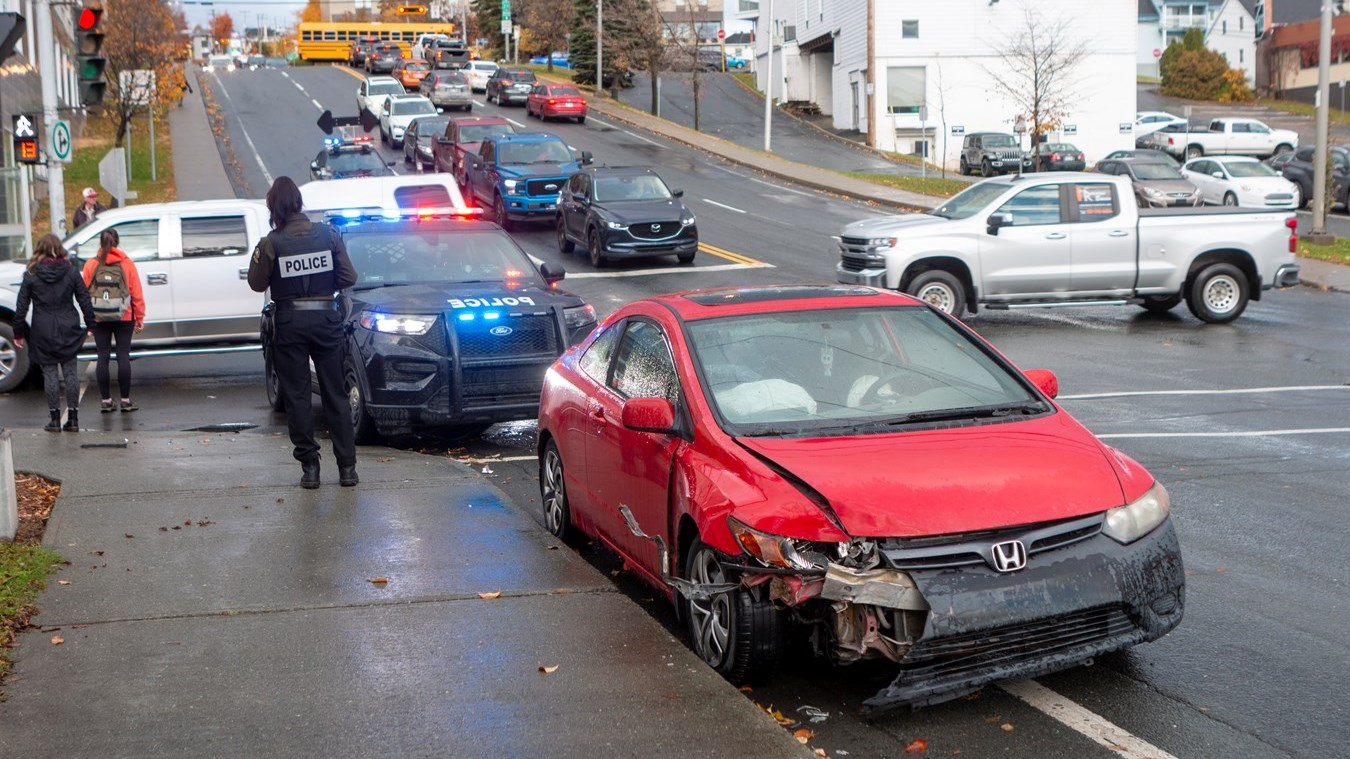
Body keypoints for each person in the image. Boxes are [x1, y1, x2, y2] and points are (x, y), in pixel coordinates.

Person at [247, 176, 360, 489]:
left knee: (298, 398)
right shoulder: (328, 234)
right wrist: (324, 289)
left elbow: (257, 283)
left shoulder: (272, 243)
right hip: (326, 321)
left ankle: (310, 468)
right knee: (335, 394)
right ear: (298, 204)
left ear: (274, 207)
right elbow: (349, 276)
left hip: (290, 326)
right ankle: (347, 468)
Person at [13, 234, 97, 432]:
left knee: (49, 373)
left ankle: (54, 419)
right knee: (70, 373)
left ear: (39, 249)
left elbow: (21, 306)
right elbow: (84, 298)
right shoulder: (71, 271)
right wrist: (91, 324)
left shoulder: (31, 273)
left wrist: (18, 332)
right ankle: (74, 419)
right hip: (68, 325)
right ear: (59, 249)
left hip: (43, 328)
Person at [81, 228, 145, 413]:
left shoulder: (91, 265)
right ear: (117, 243)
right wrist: (139, 317)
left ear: (100, 243)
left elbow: (85, 295)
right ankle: (125, 400)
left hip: (99, 317)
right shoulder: (127, 264)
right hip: (124, 316)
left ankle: (106, 401)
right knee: (123, 355)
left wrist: (89, 321)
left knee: (103, 356)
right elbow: (136, 294)